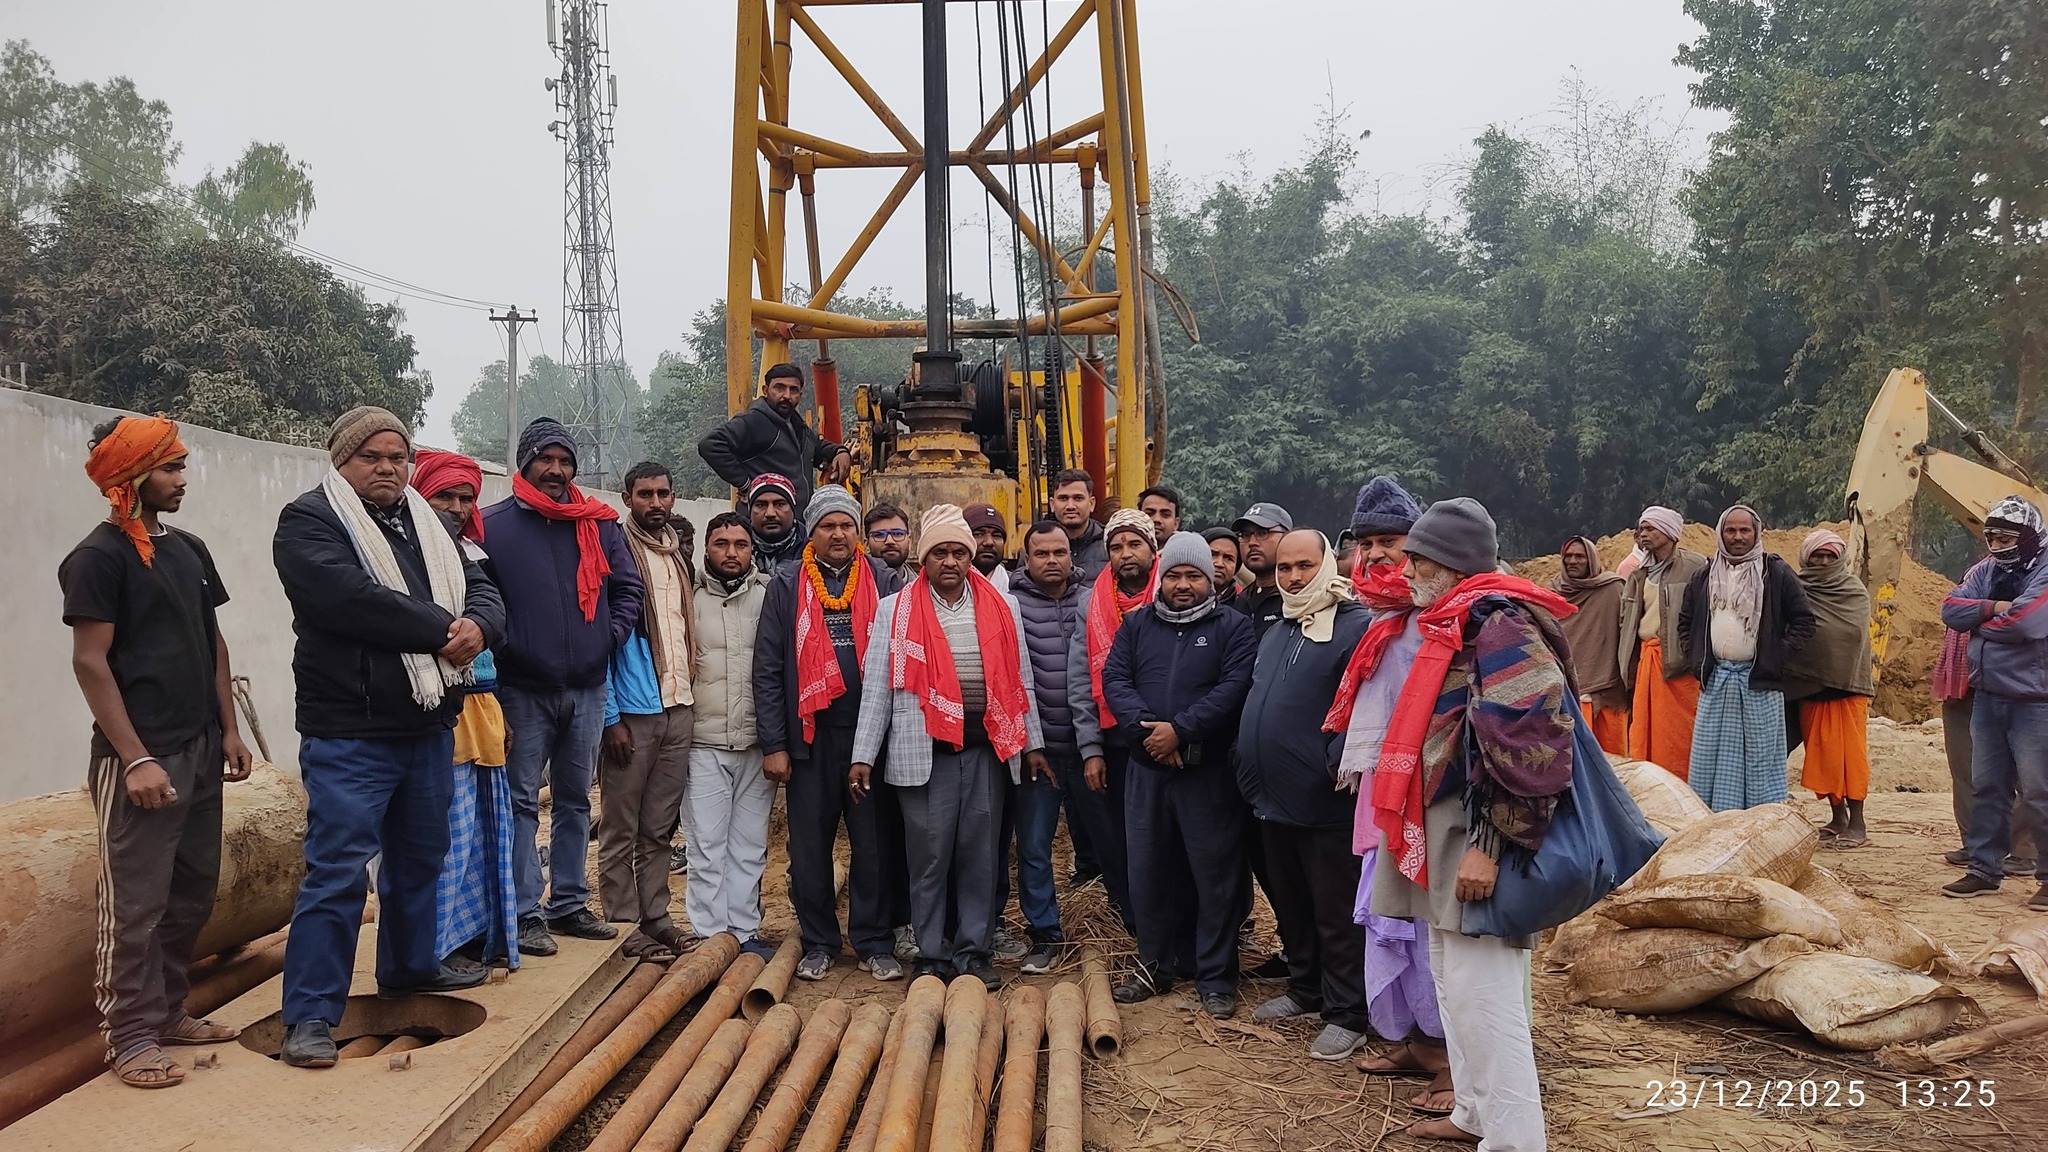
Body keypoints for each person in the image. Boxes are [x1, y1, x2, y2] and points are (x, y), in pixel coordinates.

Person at [273, 408, 507, 1068]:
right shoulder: (310, 521)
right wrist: (445, 630)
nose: (386, 467)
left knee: (420, 858)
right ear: (341, 460)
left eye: (397, 457)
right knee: (339, 871)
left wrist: (480, 628)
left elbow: (484, 588)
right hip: (350, 731)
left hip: (426, 726)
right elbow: (347, 599)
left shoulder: (426, 523)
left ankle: (407, 970)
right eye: (371, 456)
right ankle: (311, 1015)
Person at [1368, 497, 1575, 1148]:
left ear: (1453, 564)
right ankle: (1476, 1114)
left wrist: (1490, 845)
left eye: (1419, 560)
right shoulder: (1461, 619)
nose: (1406, 572)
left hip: (1478, 831)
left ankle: (1515, 1140)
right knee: (1455, 983)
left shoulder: (1500, 623)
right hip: (1445, 825)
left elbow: (1530, 739)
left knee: (1486, 995)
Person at [60, 415, 254, 1089]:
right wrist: (136, 758)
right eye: (170, 468)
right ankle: (130, 1036)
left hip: (200, 746)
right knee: (135, 903)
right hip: (141, 758)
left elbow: (214, 643)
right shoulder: (98, 557)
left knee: (192, 892)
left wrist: (229, 730)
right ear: (132, 475)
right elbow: (90, 662)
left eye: (181, 465)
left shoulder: (189, 550)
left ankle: (168, 1012)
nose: (182, 478)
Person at [852, 505, 1050, 989]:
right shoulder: (894, 610)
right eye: (939, 552)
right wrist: (862, 756)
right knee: (928, 860)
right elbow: (876, 688)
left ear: (969, 557)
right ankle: (931, 953)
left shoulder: (1003, 606)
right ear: (923, 559)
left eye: (958, 553)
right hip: (924, 755)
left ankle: (974, 952)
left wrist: (1033, 744)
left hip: (985, 752)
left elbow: (1020, 679)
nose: (950, 561)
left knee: (980, 858)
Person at [480, 417, 643, 956]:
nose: (556, 470)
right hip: (521, 690)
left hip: (588, 689)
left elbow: (628, 589)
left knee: (575, 800)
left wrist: (605, 639)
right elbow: (480, 600)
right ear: (524, 464)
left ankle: (569, 903)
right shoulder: (492, 527)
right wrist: (511, 648)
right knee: (521, 802)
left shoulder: (599, 526)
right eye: (545, 460)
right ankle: (525, 912)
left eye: (564, 461)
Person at [1326, 478, 1452, 1114]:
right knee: (1388, 914)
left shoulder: (1446, 613)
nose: (1375, 554)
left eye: (1389, 542)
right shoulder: (1380, 614)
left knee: (1429, 924)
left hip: (1431, 793)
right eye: (1367, 542)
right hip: (1382, 785)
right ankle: (1410, 1039)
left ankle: (1450, 1058)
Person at [755, 484, 910, 981]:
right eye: (828, 526)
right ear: (811, 532)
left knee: (874, 845)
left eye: (846, 525)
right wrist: (775, 744)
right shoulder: (787, 584)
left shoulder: (884, 580)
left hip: (871, 739)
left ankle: (873, 942)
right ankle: (818, 942)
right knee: (808, 849)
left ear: (858, 532)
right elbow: (768, 669)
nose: (838, 534)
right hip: (810, 739)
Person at [1100, 532, 1257, 1017]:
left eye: (1193, 576)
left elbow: (1234, 687)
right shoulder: (1137, 625)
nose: (1183, 585)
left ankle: (1216, 977)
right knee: (1148, 872)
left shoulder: (1234, 627)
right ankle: (1155, 965)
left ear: (1209, 579)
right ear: (1160, 578)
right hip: (1147, 772)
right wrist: (1151, 734)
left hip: (1206, 775)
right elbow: (1115, 680)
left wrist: (1181, 732)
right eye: (1173, 575)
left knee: (1215, 876)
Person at [1238, 530, 1374, 1060]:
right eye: (1284, 568)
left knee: (1335, 911)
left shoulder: (1355, 626)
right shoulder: (1280, 629)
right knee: (1291, 903)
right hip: (1272, 798)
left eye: (1304, 566)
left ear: (1327, 565)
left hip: (1325, 801)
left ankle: (1348, 1012)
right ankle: (1305, 988)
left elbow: (1365, 706)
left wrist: (1331, 763)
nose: (1293, 578)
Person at [413, 451, 519, 973]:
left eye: (465, 498)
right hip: (441, 711)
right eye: (444, 497)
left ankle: (476, 938)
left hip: (484, 705)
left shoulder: (473, 557)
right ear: (419, 497)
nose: (456, 508)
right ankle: (435, 949)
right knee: (445, 836)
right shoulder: (406, 558)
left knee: (484, 831)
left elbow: (492, 629)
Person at [598, 462, 698, 962]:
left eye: (663, 493)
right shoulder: (614, 553)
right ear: (627, 498)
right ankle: (622, 924)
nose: (655, 503)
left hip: (678, 705)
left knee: (658, 827)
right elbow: (601, 639)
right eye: (645, 494)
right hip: (631, 713)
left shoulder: (678, 555)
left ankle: (656, 917)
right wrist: (610, 716)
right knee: (620, 826)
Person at [1008, 520, 1108, 973]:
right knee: (1034, 846)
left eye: (1060, 552)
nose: (1052, 561)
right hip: (1039, 752)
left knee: (1111, 841)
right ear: (1026, 559)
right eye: (1042, 554)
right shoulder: (1011, 606)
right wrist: (1030, 743)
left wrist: (1096, 747)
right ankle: (1044, 933)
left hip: (1092, 749)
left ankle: (1125, 921)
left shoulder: (1093, 600)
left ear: (1072, 556)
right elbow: (1011, 678)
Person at [1939, 496, 2048, 909]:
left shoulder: (2044, 568)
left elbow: (2027, 623)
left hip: (2036, 699)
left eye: (2006, 539)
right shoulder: (1988, 570)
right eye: (1992, 538)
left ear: (2027, 537)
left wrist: (1980, 624)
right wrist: (1995, 608)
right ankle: (1984, 869)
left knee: (2039, 791)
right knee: (1988, 785)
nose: (1997, 546)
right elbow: (1951, 610)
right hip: (1988, 695)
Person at [1680, 505, 1815, 812]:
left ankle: (1760, 820)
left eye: (1745, 530)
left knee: (1759, 759)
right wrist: (1695, 659)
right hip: (1717, 682)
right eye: (1731, 530)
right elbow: (1685, 621)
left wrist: (1775, 658)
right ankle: (1713, 820)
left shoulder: (1775, 572)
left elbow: (1804, 622)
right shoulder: (1704, 575)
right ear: (1721, 533)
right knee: (1709, 756)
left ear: (1756, 534)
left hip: (1760, 683)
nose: (1738, 537)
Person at [685, 512, 777, 954]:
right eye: (721, 544)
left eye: (740, 544)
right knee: (706, 846)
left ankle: (744, 933)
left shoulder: (769, 595)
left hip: (757, 742)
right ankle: (709, 938)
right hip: (703, 742)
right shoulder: (689, 596)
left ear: (751, 549)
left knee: (749, 845)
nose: (731, 553)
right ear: (707, 548)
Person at [1068, 508, 1159, 925]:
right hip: (1113, 742)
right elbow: (1080, 679)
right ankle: (1129, 916)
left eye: (1135, 543)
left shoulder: (1172, 593)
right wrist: (1090, 749)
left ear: (1152, 549)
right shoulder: (1091, 602)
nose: (1126, 553)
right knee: (1115, 835)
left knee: (1159, 834)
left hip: (1163, 740)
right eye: (1117, 546)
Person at [1777, 529, 1878, 848]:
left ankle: (1858, 824)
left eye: (1829, 556)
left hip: (1844, 687)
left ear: (1840, 559)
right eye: (1816, 556)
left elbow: (1850, 636)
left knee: (1849, 759)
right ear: (1805, 559)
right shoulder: (1795, 589)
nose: (1822, 562)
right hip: (1807, 686)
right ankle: (1838, 819)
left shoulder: (1853, 591)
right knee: (1824, 758)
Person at [1618, 506, 1708, 776]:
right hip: (1647, 663)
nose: (1643, 534)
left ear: (1669, 532)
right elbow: (1627, 621)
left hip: (1680, 668)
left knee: (1681, 734)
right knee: (1646, 730)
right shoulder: (1638, 572)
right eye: (1641, 529)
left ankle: (1686, 786)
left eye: (1650, 528)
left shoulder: (1696, 566)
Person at [696, 361, 853, 514]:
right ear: (765, 390)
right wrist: (746, 484)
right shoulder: (755, 421)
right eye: (779, 388)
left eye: (793, 390)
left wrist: (841, 451)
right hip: (762, 523)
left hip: (796, 523)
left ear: (800, 395)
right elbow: (710, 444)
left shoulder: (798, 426)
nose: (787, 395)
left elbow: (817, 447)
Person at [1551, 536, 1630, 756]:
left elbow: (1626, 632)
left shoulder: (1612, 588)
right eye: (1568, 556)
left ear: (1592, 560)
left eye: (1580, 556)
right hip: (1563, 687)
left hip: (1605, 688)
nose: (1572, 561)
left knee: (1610, 758)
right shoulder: (1553, 591)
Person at [1232, 502, 1293, 639]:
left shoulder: (1296, 598)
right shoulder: (1240, 602)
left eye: (1262, 533)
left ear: (1287, 537)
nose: (1252, 542)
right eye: (1245, 535)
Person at [1049, 469, 1108, 583]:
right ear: (1052, 504)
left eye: (1078, 498)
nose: (1070, 506)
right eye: (1063, 498)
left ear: (1091, 503)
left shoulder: (1110, 545)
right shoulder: (1037, 546)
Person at [743, 473, 803, 574]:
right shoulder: (734, 550)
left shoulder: (815, 550)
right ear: (750, 511)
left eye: (779, 504)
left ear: (793, 509)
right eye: (761, 505)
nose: (770, 513)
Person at [964, 501, 1013, 593]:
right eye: (979, 534)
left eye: (996, 535)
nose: (989, 542)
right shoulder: (945, 589)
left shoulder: (1015, 588)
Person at [865, 502, 914, 577]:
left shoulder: (925, 584)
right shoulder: (853, 583)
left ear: (909, 542)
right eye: (880, 535)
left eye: (897, 534)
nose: (889, 541)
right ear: (867, 544)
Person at [1203, 527, 1242, 608]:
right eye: (1213, 555)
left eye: (1229, 558)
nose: (1219, 564)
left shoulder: (1243, 606)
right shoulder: (1181, 598)